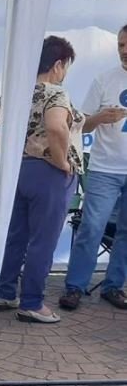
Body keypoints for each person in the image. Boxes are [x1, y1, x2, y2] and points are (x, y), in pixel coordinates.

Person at [0, 36, 86, 323]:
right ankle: (33, 303)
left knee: (17, 236)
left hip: (19, 171)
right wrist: (61, 161)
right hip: (49, 174)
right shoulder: (57, 94)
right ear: (58, 64)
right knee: (43, 241)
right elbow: (56, 126)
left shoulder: (16, 93)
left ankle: (5, 291)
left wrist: (9, 151)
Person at [59, 25, 127, 311]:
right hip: (104, 169)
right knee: (92, 228)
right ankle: (75, 287)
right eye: (121, 45)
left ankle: (113, 287)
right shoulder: (104, 80)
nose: (124, 50)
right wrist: (99, 117)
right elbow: (82, 123)